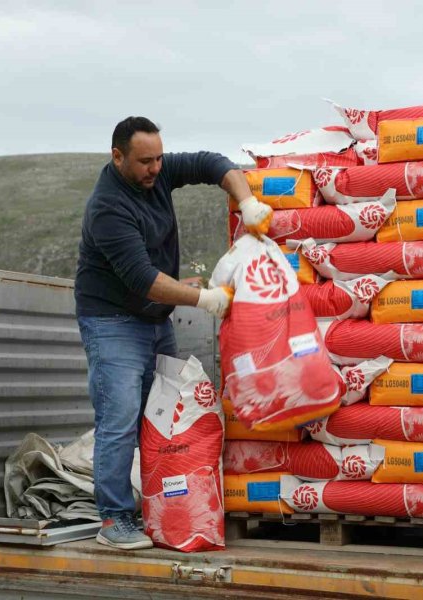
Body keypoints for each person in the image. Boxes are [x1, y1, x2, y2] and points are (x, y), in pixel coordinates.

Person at [74, 116, 271, 550]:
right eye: (145, 161)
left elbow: (210, 163)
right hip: (112, 322)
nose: (155, 169)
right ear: (118, 156)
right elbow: (142, 277)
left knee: (161, 417)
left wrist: (246, 201)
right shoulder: (108, 207)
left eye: (160, 158)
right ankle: (112, 519)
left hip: (154, 319)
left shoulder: (155, 175)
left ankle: (155, 505)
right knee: (120, 418)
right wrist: (201, 299)